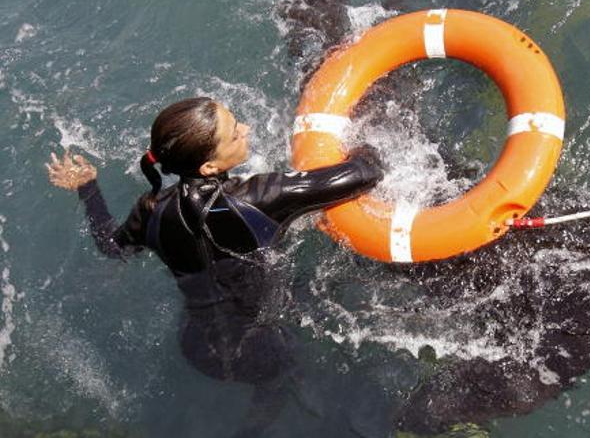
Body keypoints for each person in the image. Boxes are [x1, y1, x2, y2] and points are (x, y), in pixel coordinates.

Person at [46, 96, 384, 434]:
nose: (247, 129)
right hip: (263, 349)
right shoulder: (260, 198)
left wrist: (88, 188)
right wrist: (371, 136)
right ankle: (268, 403)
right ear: (208, 167)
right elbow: (364, 172)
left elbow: (111, 247)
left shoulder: (151, 209)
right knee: (285, 363)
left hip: (199, 348)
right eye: (236, 133)